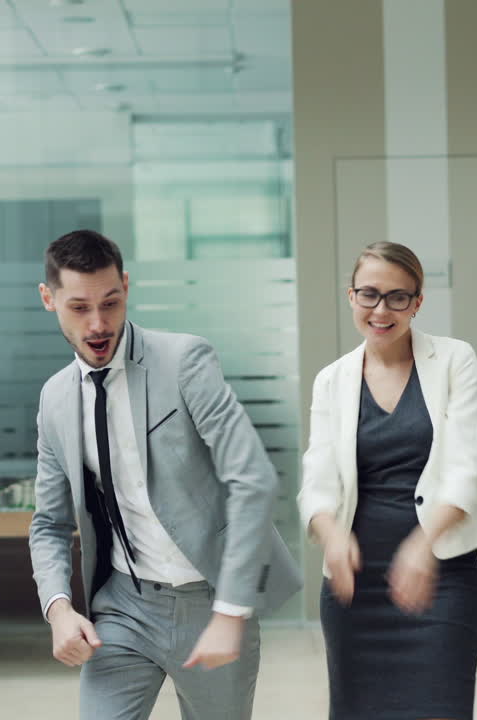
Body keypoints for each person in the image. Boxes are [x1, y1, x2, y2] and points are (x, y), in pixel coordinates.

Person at [27, 229, 301, 720]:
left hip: (209, 600)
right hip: (123, 606)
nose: (98, 323)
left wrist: (232, 610)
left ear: (126, 287)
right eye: (79, 307)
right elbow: (48, 522)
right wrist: (59, 608)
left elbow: (251, 478)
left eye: (110, 302)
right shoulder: (55, 398)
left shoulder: (184, 361)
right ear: (49, 299)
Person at [299, 241, 477, 720]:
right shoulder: (332, 379)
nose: (381, 310)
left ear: (417, 302)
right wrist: (331, 537)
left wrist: (422, 545)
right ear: (350, 297)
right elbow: (317, 478)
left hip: (442, 577)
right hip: (356, 587)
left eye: (397, 297)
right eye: (369, 294)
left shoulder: (455, 360)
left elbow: (465, 468)